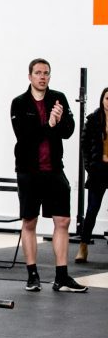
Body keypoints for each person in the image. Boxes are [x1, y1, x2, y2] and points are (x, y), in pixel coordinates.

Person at [10, 58, 86, 292]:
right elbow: (25, 136)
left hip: (54, 170)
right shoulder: (19, 103)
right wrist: (50, 123)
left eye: (46, 73)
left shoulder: (58, 98)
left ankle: (61, 277)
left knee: (63, 220)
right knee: (29, 221)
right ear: (30, 76)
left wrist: (59, 121)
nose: (42, 77)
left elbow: (69, 131)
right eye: (38, 73)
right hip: (29, 172)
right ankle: (32, 275)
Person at [75, 87, 108, 264]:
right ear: (102, 100)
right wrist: (90, 167)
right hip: (98, 171)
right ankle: (83, 245)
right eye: (107, 98)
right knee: (92, 210)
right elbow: (84, 146)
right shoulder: (93, 120)